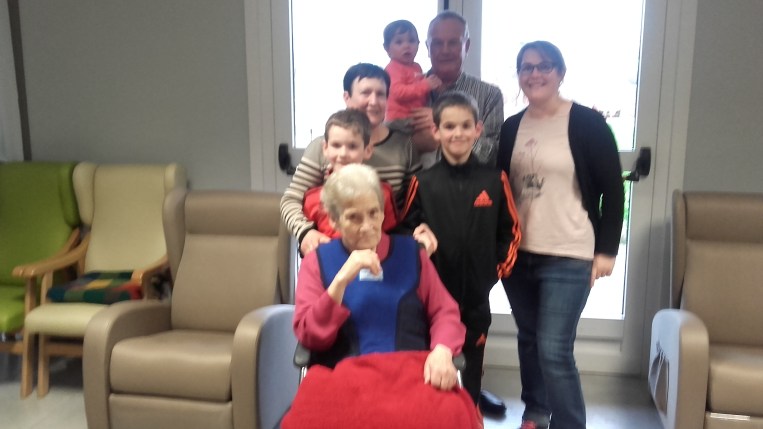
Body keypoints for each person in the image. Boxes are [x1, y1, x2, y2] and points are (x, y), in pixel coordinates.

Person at [286, 164, 480, 429]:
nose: (367, 226)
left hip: (412, 373)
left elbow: (444, 311)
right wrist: (341, 280)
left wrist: (443, 351)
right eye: (354, 217)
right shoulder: (317, 262)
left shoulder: (412, 254)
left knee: (450, 415)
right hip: (343, 376)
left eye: (373, 213)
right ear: (333, 220)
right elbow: (310, 335)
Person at [496, 41, 624, 429]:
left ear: (561, 73)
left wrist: (607, 251)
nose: (535, 74)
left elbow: (613, 190)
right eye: (526, 67)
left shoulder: (587, 123)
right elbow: (502, 187)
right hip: (519, 255)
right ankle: (536, 412)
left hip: (570, 252)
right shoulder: (512, 127)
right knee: (529, 339)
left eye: (544, 66)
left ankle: (569, 423)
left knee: (554, 348)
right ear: (519, 75)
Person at [400, 91, 521, 408]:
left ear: (478, 129)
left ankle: (471, 413)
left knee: (471, 369)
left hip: (476, 299)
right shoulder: (422, 182)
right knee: (434, 363)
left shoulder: (495, 180)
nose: (458, 133)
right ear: (436, 131)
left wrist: (493, 272)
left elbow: (511, 231)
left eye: (466, 126)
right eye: (449, 126)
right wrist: (416, 238)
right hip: (432, 298)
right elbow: (404, 231)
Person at [280, 63, 427, 256]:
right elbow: (291, 200)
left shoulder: (405, 146)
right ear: (347, 97)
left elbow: (415, 205)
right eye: (365, 93)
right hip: (331, 251)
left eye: (380, 94)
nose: (373, 101)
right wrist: (306, 232)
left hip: (383, 253)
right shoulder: (323, 147)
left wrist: (419, 230)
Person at [408, 11, 504, 166]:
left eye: (453, 43)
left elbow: (492, 155)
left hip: (469, 182)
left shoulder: (489, 95)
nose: (445, 50)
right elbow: (391, 147)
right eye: (437, 43)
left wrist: (444, 125)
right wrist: (414, 144)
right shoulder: (405, 91)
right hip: (414, 181)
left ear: (467, 46)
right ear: (427, 47)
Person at [302, 108, 398, 237]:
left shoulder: (383, 194)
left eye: (352, 146)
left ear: (368, 150)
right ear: (325, 148)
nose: (343, 154)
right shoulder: (313, 199)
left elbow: (391, 240)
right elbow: (310, 244)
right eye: (336, 145)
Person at [383, 19, 442, 122]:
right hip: (399, 120)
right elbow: (398, 92)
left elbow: (420, 92)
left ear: (418, 44)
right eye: (399, 42)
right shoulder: (392, 68)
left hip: (415, 117)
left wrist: (433, 86)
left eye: (411, 41)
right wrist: (425, 85)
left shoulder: (417, 67)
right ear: (387, 48)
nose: (407, 46)